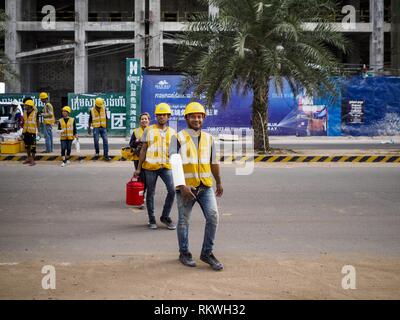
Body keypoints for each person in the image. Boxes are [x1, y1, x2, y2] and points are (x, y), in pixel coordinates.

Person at [169, 102, 224, 271]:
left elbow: (213, 162)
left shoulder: (209, 138)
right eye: (193, 116)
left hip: (205, 186)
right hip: (186, 188)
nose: (196, 119)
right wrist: (182, 185)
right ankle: (184, 253)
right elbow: (175, 162)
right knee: (184, 222)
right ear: (186, 118)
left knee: (213, 217)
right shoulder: (177, 137)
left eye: (199, 116)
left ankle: (207, 253)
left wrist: (219, 181)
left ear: (204, 118)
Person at [133, 103, 176, 230]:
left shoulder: (173, 132)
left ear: (168, 116)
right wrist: (138, 168)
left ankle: (165, 216)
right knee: (150, 193)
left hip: (166, 166)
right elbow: (143, 150)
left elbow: (174, 151)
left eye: (164, 115)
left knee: (172, 190)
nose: (162, 117)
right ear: (156, 116)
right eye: (159, 115)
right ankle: (151, 219)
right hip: (150, 167)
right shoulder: (148, 130)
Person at [129, 112, 150, 207]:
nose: (144, 120)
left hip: (150, 158)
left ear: (148, 120)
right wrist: (137, 142)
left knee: (148, 178)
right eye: (142, 119)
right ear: (139, 121)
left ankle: (145, 194)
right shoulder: (136, 131)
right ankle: (142, 195)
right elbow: (131, 143)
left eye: (146, 119)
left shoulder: (152, 131)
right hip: (138, 158)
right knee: (141, 177)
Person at [22, 99, 39, 166]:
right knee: (27, 146)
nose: (25, 106)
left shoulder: (35, 113)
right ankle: (28, 158)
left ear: (29, 106)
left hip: (32, 132)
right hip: (25, 131)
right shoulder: (24, 112)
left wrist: (38, 130)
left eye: (26, 105)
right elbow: (24, 122)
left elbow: (37, 122)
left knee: (33, 147)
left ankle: (32, 160)